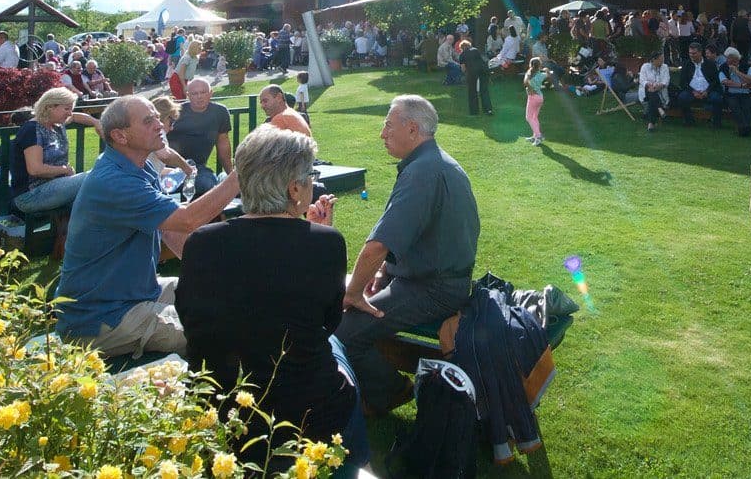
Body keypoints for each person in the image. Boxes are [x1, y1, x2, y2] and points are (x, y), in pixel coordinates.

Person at [176, 126, 370, 470]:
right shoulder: (325, 243)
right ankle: (353, 466)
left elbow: (190, 315)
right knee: (338, 356)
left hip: (218, 405)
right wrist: (316, 232)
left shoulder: (201, 242)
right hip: (304, 409)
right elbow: (327, 321)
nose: (314, 183)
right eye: (311, 175)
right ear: (295, 189)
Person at [55, 95, 241, 358]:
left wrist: (209, 274)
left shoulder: (138, 168)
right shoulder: (116, 181)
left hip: (135, 292)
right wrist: (242, 174)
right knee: (214, 330)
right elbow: (187, 219)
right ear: (120, 136)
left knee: (219, 291)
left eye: (157, 117)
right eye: (148, 121)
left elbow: (170, 229)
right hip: (102, 316)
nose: (160, 125)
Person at [335, 95, 479, 416]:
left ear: (412, 129)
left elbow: (377, 246)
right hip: (431, 280)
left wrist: (354, 292)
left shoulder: (423, 173)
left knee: (342, 334)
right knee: (351, 322)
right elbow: (414, 238)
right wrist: (383, 275)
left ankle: (393, 391)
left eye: (388, 124)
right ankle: (385, 387)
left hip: (433, 289)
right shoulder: (434, 163)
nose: (382, 133)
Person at [8, 88, 102, 217]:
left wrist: (96, 122)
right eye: (66, 108)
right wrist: (64, 170)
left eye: (71, 108)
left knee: (91, 197)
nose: (70, 113)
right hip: (31, 195)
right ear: (50, 107)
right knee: (97, 176)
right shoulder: (32, 130)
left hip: (55, 187)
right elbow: (35, 169)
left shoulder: (56, 124)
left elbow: (74, 117)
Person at [674, 42, 719, 127]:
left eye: (694, 53)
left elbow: (715, 81)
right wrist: (693, 91)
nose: (691, 55)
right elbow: (683, 82)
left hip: (707, 91)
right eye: (690, 53)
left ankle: (716, 122)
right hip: (691, 91)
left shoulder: (710, 64)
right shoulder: (686, 64)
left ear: (700, 52)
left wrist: (707, 91)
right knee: (682, 97)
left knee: (717, 98)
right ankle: (688, 120)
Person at [718, 47, 751, 138]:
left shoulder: (747, 66)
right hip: (731, 94)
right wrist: (742, 85)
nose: (727, 60)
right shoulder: (723, 67)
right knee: (735, 107)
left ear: (736, 58)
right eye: (726, 58)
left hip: (747, 93)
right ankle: (745, 128)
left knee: (747, 109)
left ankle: (743, 129)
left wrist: (737, 72)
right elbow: (724, 81)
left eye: (729, 58)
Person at [458, 39, 493, 116]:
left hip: (472, 72)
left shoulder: (462, 55)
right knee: (484, 90)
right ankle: (488, 110)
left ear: (462, 48)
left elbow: (463, 69)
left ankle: (474, 111)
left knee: (472, 91)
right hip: (483, 70)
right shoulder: (476, 50)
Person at [638, 50, 670, 133]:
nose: (662, 61)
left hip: (660, 90)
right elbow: (642, 80)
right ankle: (659, 108)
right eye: (660, 59)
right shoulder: (645, 66)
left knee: (652, 95)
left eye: (663, 58)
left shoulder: (665, 67)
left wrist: (658, 86)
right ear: (653, 60)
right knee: (650, 90)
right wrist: (649, 84)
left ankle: (651, 123)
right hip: (647, 91)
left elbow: (666, 81)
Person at [521, 57, 548, 145]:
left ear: (531, 65)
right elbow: (549, 74)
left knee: (528, 117)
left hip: (533, 98)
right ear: (539, 65)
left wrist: (530, 88)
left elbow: (525, 82)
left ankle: (538, 136)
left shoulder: (529, 74)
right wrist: (546, 70)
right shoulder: (541, 74)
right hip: (540, 97)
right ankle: (535, 136)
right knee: (534, 117)